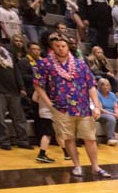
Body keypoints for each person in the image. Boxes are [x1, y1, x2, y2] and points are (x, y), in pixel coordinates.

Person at [33, 33, 108, 178]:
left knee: (90, 138)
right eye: (57, 46)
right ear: (52, 47)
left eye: (63, 46)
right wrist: (49, 104)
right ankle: (77, 166)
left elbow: (91, 86)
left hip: (83, 106)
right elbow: (38, 85)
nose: (61, 49)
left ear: (68, 47)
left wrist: (97, 106)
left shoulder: (80, 64)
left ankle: (96, 166)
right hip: (60, 107)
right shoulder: (45, 64)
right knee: (68, 138)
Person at [95, 77, 118, 145]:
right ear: (99, 86)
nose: (106, 87)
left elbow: (116, 108)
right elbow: (100, 109)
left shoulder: (112, 94)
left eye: (107, 85)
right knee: (111, 118)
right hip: (101, 113)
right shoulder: (97, 93)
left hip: (112, 113)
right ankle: (110, 139)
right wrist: (114, 115)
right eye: (103, 85)